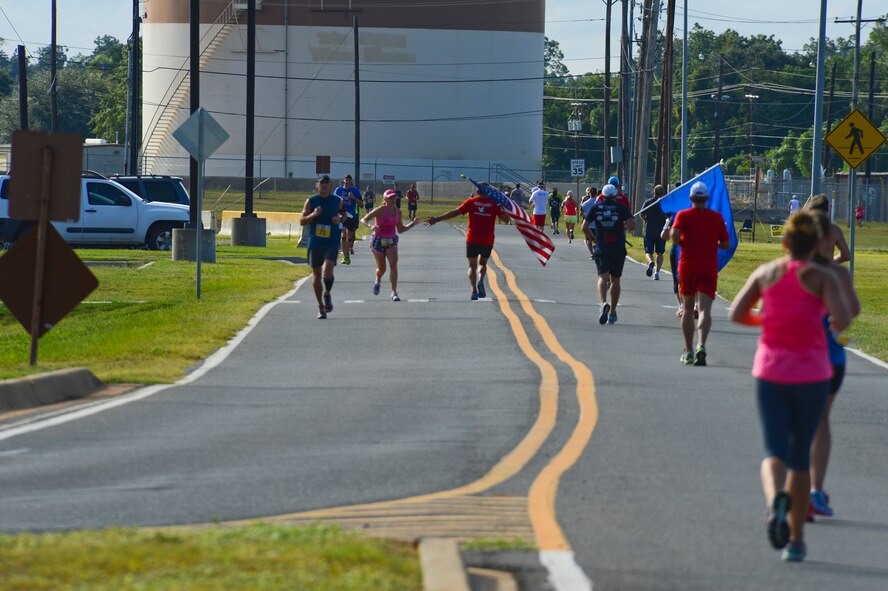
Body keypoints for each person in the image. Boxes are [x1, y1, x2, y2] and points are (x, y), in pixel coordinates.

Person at [729, 211, 851, 562]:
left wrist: (766, 319)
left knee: (773, 451)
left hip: (769, 371)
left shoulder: (767, 273)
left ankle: (774, 504)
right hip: (812, 373)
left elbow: (736, 312)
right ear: (815, 244)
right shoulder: (822, 276)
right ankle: (796, 540)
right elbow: (841, 318)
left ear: (784, 243)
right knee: (800, 457)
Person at [808, 211, 860, 520]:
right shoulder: (837, 276)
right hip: (829, 357)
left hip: (791, 361)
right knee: (821, 421)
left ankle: (790, 491)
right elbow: (849, 313)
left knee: (795, 425)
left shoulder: (785, 273)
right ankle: (815, 490)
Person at [670, 181, 731, 365]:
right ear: (706, 198)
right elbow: (726, 244)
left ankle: (688, 351)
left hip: (688, 266)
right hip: (708, 267)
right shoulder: (716, 218)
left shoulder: (683, 215)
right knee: (704, 310)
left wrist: (685, 244)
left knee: (688, 309)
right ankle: (701, 345)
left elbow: (674, 234)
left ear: (691, 198)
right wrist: (712, 244)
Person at [425, 185, 509, 300]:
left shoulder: (471, 202)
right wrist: (506, 207)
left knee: (471, 266)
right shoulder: (493, 204)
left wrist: (437, 219)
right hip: (487, 239)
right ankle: (481, 280)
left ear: (477, 190)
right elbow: (506, 220)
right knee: (483, 264)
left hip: (473, 239)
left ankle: (474, 290)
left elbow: (455, 212)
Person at [583, 183, 636, 325]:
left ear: (603, 195)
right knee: (615, 280)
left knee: (602, 277)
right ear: (615, 196)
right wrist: (624, 223)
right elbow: (632, 226)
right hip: (618, 247)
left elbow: (584, 227)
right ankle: (612, 311)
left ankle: (603, 303)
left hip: (602, 246)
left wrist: (593, 238)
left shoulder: (596, 207)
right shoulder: (621, 208)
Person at [361, 189, 419, 301]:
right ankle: (377, 280)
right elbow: (364, 219)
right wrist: (371, 226)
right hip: (378, 240)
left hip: (391, 240)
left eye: (394, 197)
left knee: (393, 264)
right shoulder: (380, 210)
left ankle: (394, 292)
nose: (393, 199)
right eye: (391, 198)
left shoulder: (398, 212)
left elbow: (401, 229)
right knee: (382, 269)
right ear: (385, 199)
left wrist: (413, 224)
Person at [300, 175, 342, 319]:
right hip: (315, 242)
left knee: (328, 270)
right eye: (321, 183)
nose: (324, 186)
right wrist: (313, 214)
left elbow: (345, 215)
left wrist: (340, 219)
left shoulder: (337, 201)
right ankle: (320, 306)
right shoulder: (311, 201)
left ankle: (327, 293)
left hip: (331, 241)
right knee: (317, 275)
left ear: (331, 186)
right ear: (317, 185)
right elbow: (302, 221)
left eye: (327, 183)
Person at [804, 194, 850, 263]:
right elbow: (846, 255)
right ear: (828, 209)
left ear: (810, 209)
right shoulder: (834, 230)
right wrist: (830, 264)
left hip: (805, 270)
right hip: (826, 271)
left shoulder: (802, 228)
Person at [334, 174, 363, 264]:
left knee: (350, 236)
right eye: (346, 180)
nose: (348, 182)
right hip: (341, 214)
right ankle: (345, 256)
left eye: (349, 180)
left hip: (351, 216)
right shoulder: (338, 190)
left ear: (351, 182)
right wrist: (339, 201)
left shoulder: (355, 190)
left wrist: (354, 198)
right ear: (343, 181)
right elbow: (333, 201)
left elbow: (361, 205)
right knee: (344, 234)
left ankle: (348, 252)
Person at [641, 184, 668, 280]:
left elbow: (642, 213)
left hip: (649, 229)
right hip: (661, 230)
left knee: (648, 251)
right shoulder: (664, 203)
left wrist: (646, 220)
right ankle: (657, 273)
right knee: (660, 253)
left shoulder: (648, 202)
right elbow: (669, 216)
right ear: (663, 193)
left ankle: (651, 263)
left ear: (654, 192)